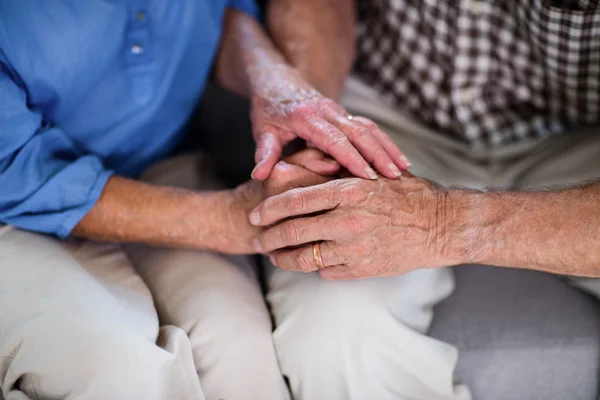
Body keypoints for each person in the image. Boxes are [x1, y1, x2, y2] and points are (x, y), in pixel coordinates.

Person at [0, 1, 413, 399]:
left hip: (159, 161)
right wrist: (224, 220)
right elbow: (12, 168)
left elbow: (217, 20)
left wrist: (275, 80)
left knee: (238, 349)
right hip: (12, 208)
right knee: (119, 372)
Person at [247, 0, 600, 398]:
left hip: (583, 137)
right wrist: (316, 122)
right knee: (330, 333)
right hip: (386, 117)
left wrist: (438, 224)